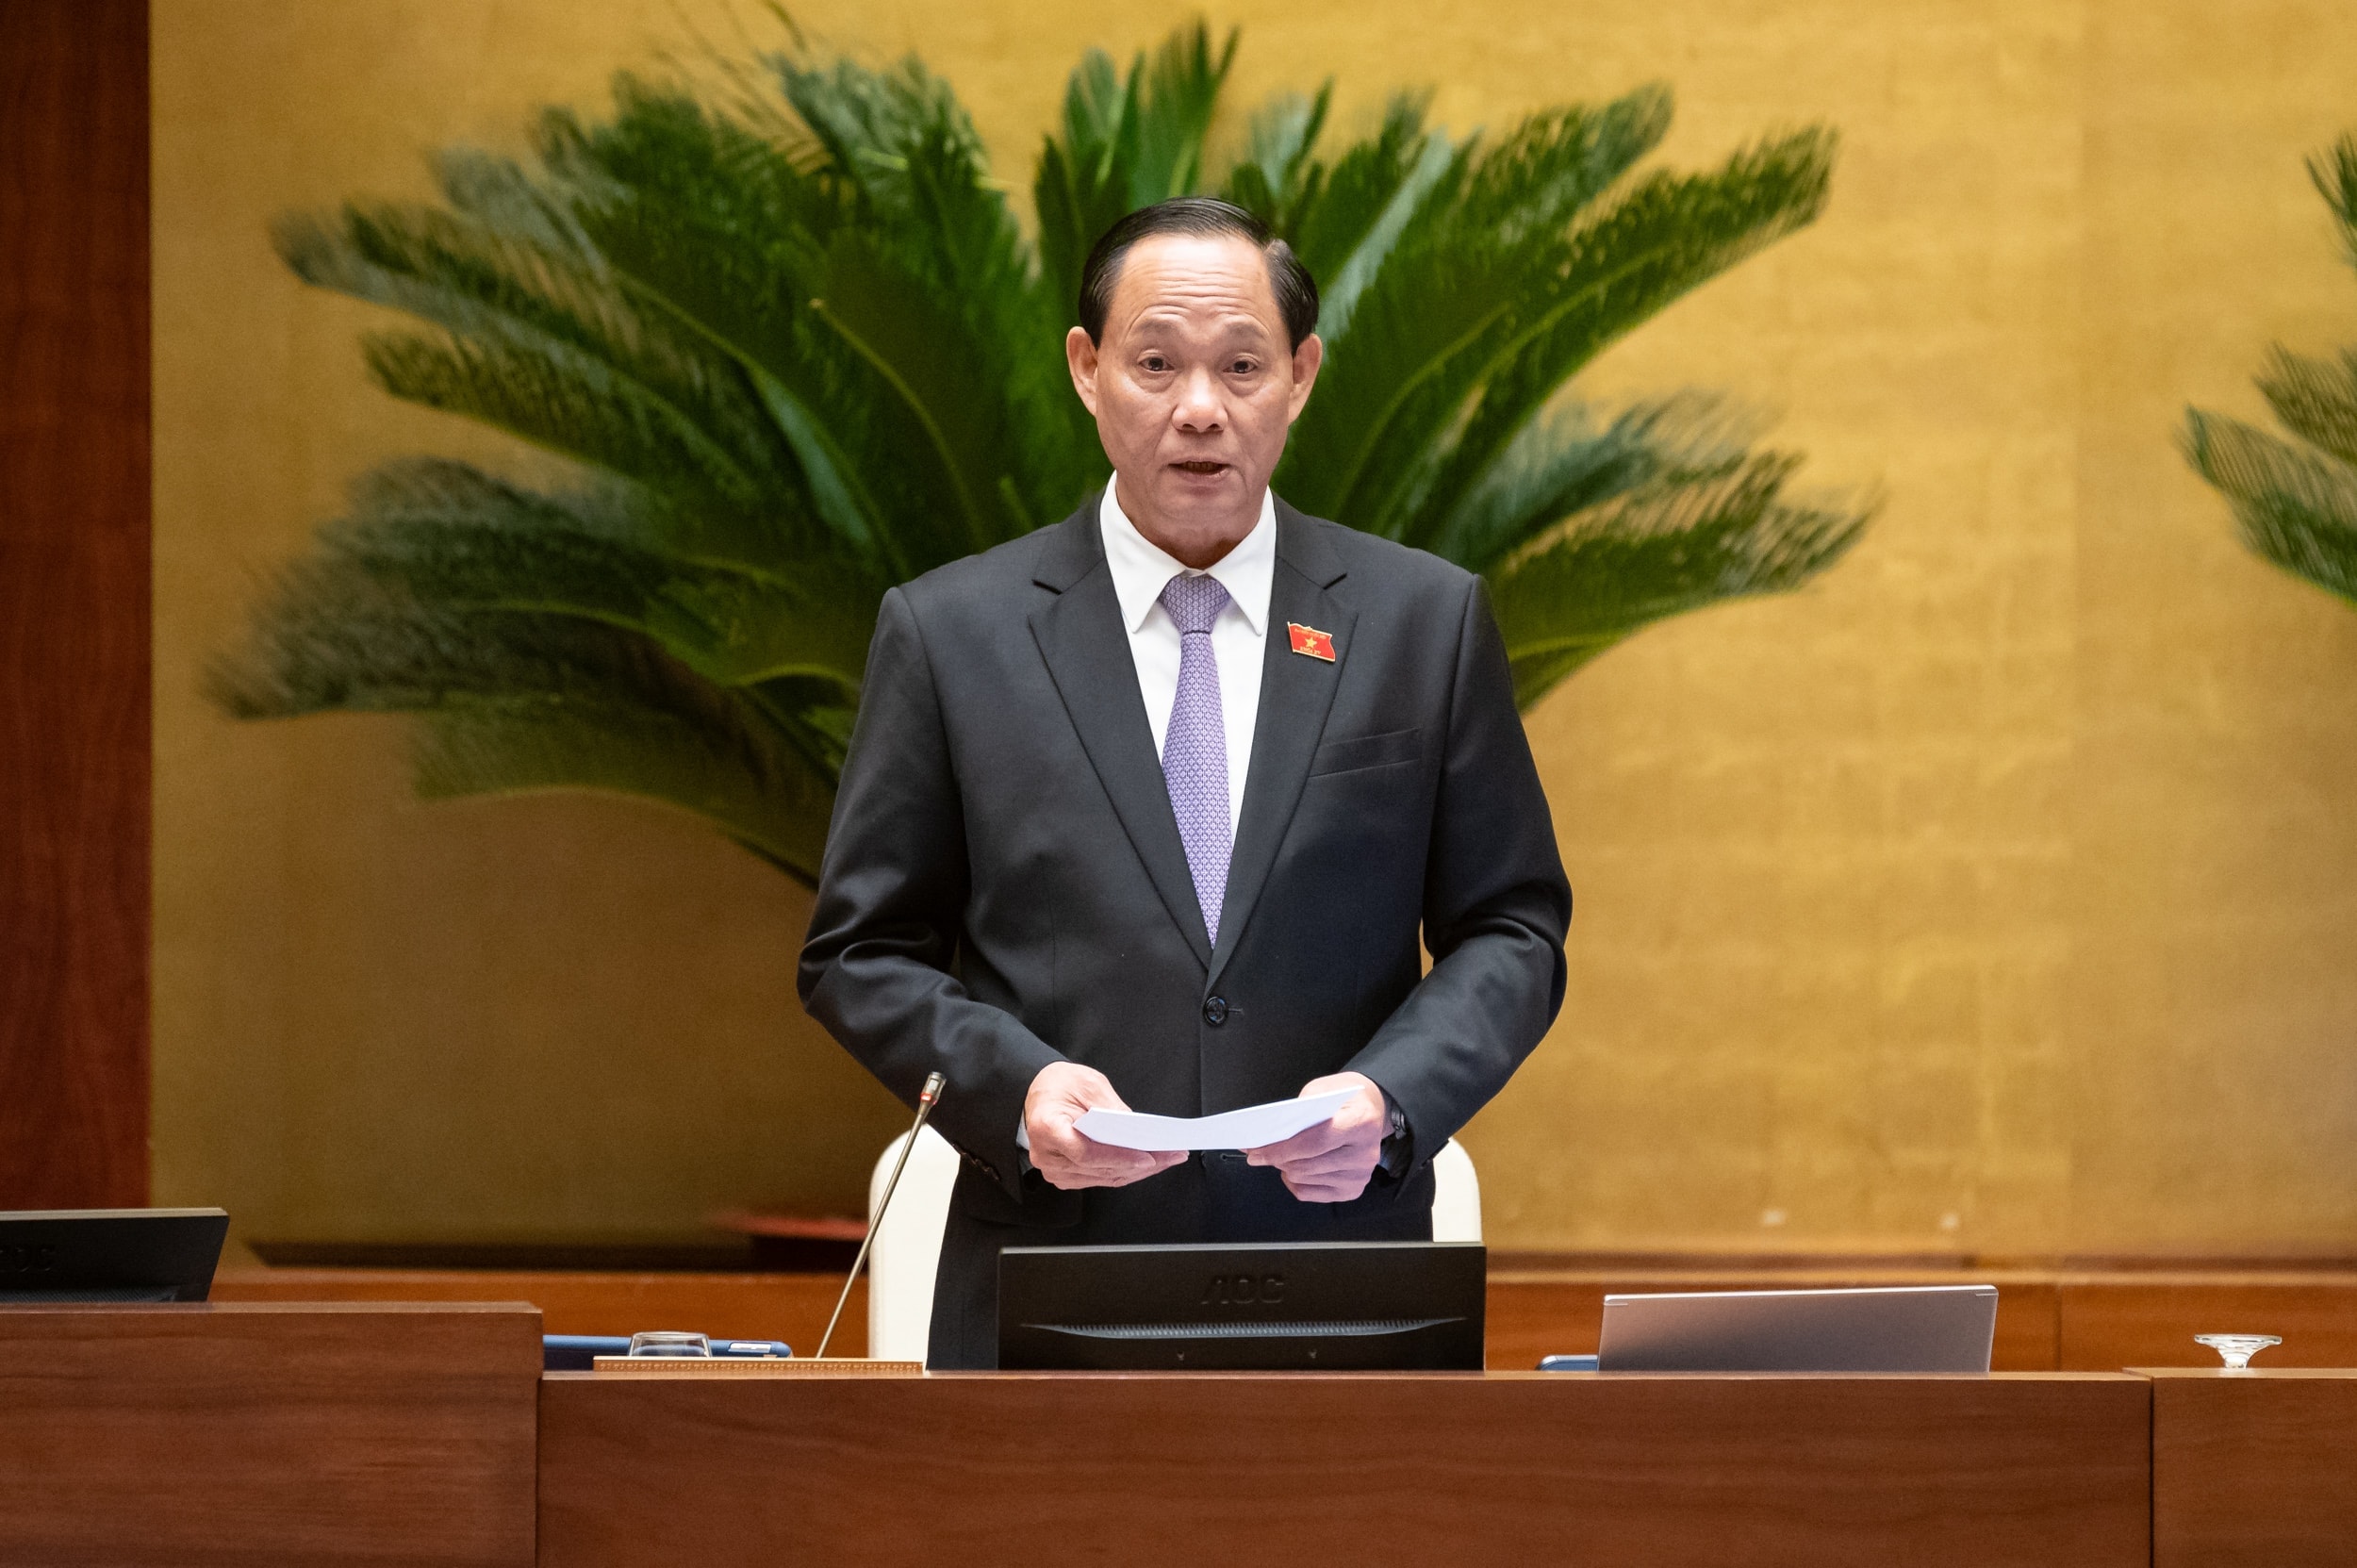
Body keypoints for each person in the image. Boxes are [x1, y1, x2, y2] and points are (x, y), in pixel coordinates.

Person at [799, 197, 1572, 1368]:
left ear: (1301, 376)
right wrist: (1018, 1092)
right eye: (1155, 363)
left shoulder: (1424, 622)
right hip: (1048, 1289)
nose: (1200, 408)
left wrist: (1390, 1098)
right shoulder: (951, 632)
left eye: (1243, 365)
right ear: (1087, 369)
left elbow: (1511, 926)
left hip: (1343, 1286)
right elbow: (857, 952)